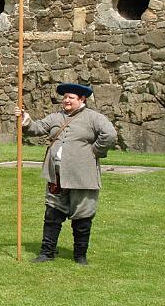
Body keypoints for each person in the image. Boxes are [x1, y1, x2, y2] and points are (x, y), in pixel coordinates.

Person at [15, 83, 117, 265]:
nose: (66, 100)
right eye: (65, 97)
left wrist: (94, 152)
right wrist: (25, 119)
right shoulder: (56, 117)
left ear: (82, 99)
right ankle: (47, 253)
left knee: (82, 216)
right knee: (52, 214)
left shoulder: (94, 118)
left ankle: (80, 256)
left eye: (71, 97)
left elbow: (109, 135)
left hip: (82, 177)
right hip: (56, 176)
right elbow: (36, 129)